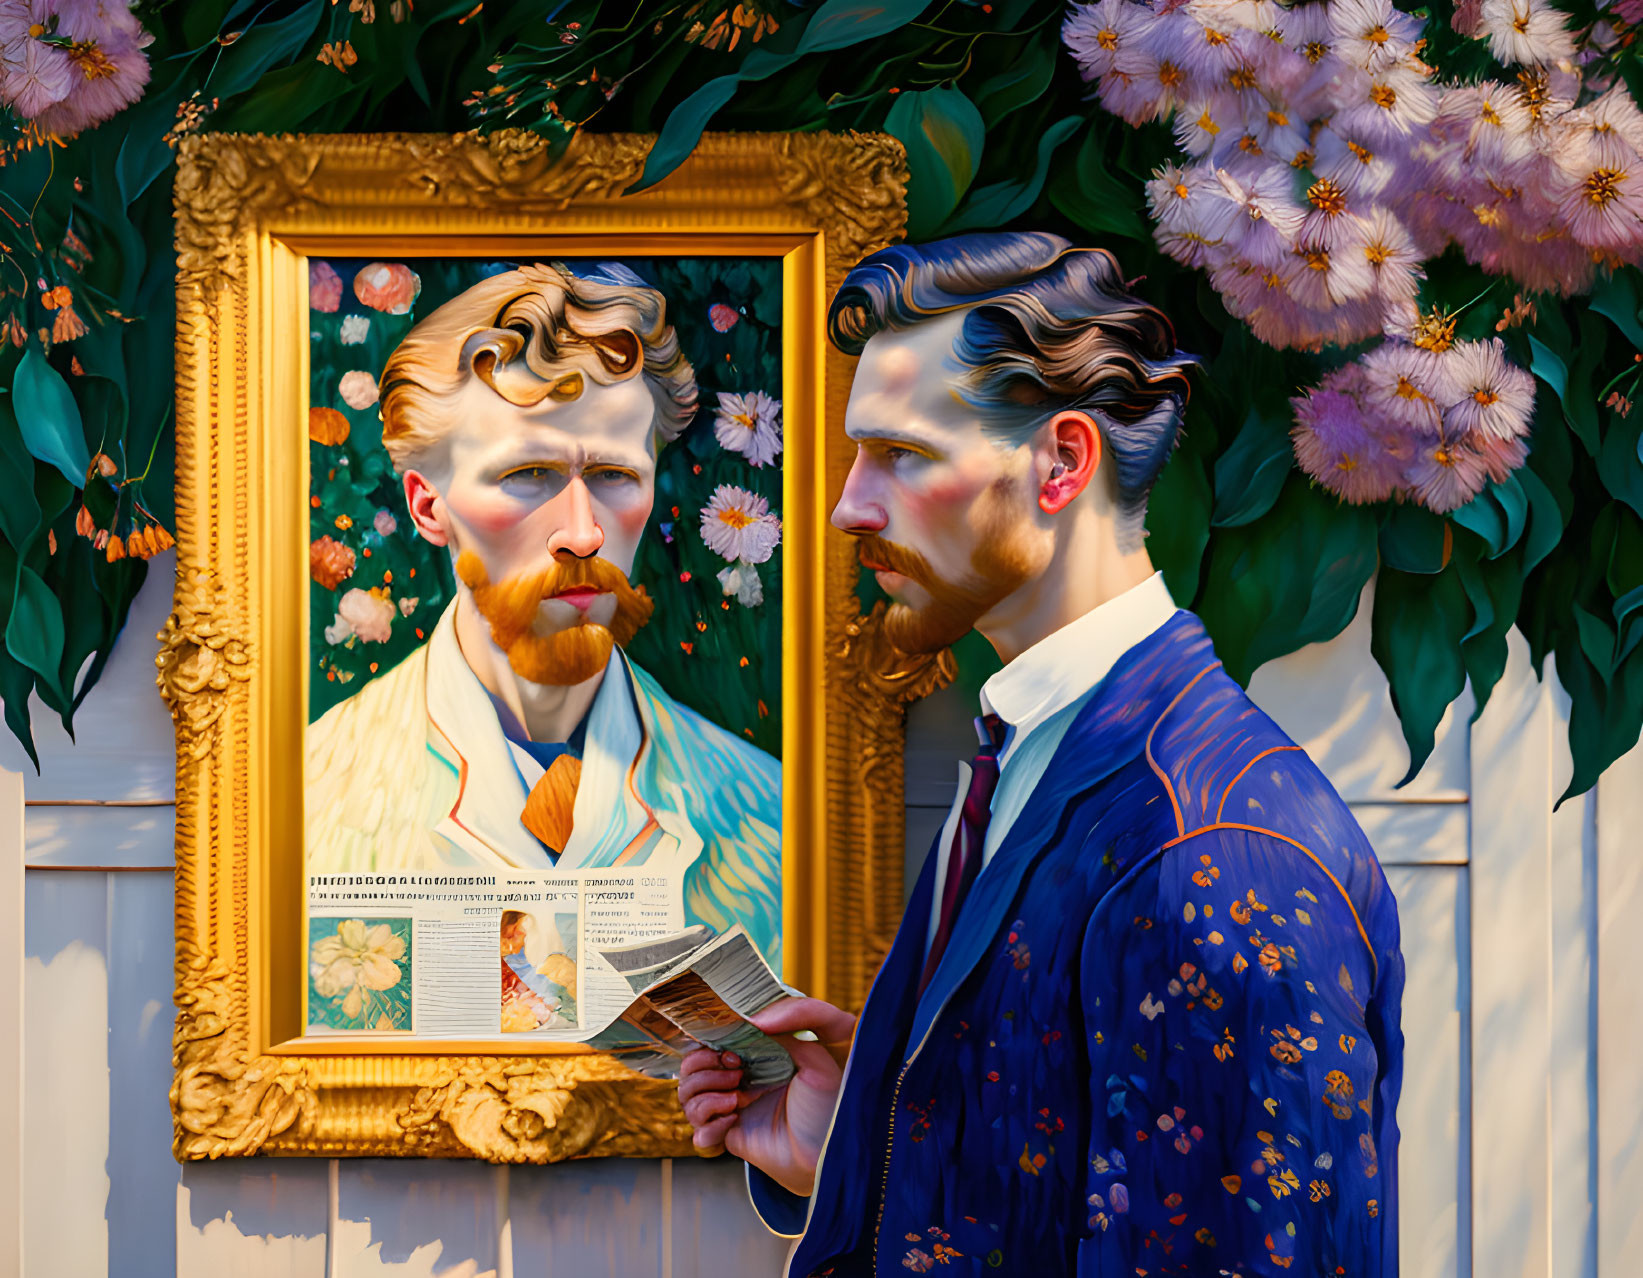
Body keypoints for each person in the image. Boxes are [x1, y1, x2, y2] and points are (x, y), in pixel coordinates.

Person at [678, 234, 1405, 1275]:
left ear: (1060, 461)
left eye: (900, 455)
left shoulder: (1213, 856)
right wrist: (855, 1145)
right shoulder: (1035, 751)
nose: (846, 507)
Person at [305, 263, 782, 964]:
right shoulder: (307, 800)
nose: (583, 533)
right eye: (528, 475)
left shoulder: (762, 813)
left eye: (617, 476)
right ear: (426, 506)